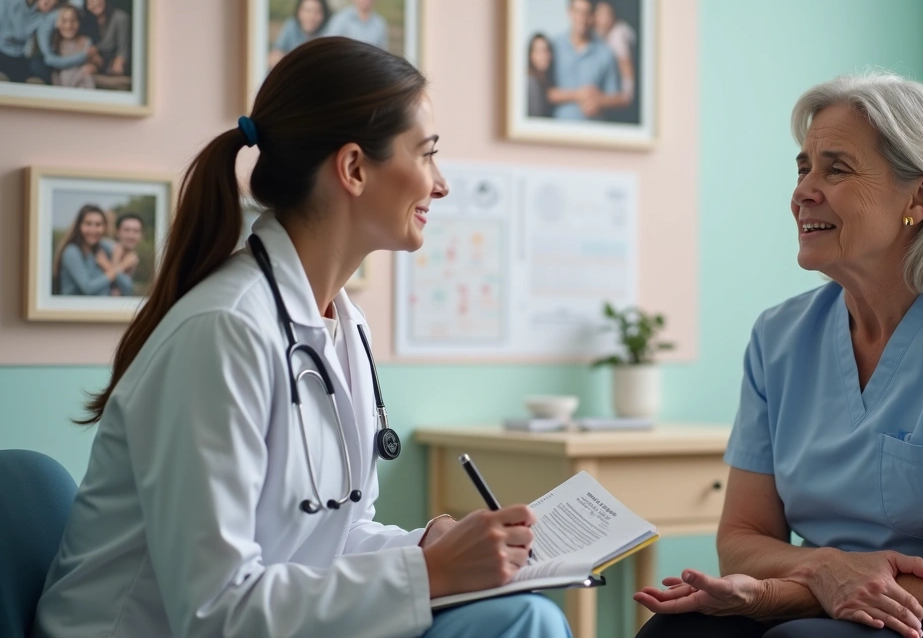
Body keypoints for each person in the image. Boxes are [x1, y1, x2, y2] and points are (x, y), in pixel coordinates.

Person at [32, 37, 572, 638]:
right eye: (426, 155)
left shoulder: (340, 326)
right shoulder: (225, 331)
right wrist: (426, 573)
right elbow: (216, 612)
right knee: (521, 621)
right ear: (354, 168)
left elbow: (328, 533)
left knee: (519, 615)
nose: (440, 184)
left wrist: (426, 543)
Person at [633, 73, 923, 638]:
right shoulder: (779, 336)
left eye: (837, 168)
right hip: (833, 608)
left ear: (919, 197)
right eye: (803, 168)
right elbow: (741, 540)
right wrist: (824, 569)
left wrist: (778, 594)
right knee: (677, 632)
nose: (804, 191)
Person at [547, 0, 619, 121]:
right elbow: (543, 92)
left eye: (587, 13)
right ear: (569, 12)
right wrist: (577, 94)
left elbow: (617, 97)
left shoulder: (606, 53)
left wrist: (600, 101)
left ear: (593, 16)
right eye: (578, 12)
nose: (582, 18)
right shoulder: (553, 47)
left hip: (595, 131)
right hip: (559, 130)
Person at [52, 204, 134, 296]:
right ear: (79, 226)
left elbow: (128, 289)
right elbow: (88, 288)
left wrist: (111, 265)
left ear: (104, 227)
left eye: (98, 225)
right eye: (88, 224)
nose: (93, 230)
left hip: (100, 308)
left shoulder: (103, 248)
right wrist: (121, 267)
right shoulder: (71, 252)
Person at [592, 0, 636, 122]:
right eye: (601, 14)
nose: (604, 19)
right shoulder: (596, 35)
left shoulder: (618, 35)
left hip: (620, 106)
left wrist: (602, 100)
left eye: (608, 14)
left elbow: (628, 94)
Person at [0, 0, 60, 83]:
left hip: (20, 57)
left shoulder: (45, 18)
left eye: (54, 0)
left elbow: (46, 52)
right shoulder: (10, 2)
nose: (49, 1)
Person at [267, 0, 330, 70]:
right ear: (299, 11)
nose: (311, 17)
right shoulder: (291, 26)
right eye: (308, 11)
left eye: (317, 12)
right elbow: (274, 57)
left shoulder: (328, 31)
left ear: (324, 14)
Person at [42, 4, 95, 88]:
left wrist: (93, 65)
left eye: (73, 20)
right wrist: (83, 56)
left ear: (79, 22)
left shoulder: (85, 41)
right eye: (64, 21)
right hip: (60, 91)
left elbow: (93, 64)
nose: (69, 26)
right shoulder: (54, 44)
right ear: (58, 23)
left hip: (83, 90)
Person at [80, 0, 131, 79]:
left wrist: (120, 59)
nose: (96, 2)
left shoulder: (120, 17)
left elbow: (123, 48)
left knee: (118, 68)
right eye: (91, 1)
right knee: (86, 69)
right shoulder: (87, 21)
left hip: (114, 57)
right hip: (99, 59)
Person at [107, 213, 144, 295]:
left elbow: (126, 290)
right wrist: (122, 265)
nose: (131, 236)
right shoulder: (106, 249)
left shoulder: (133, 258)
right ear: (117, 232)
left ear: (141, 235)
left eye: (136, 231)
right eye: (126, 230)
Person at [526, 33, 554, 118]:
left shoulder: (544, 81)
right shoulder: (531, 82)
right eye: (539, 51)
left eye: (546, 51)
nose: (544, 56)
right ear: (531, 55)